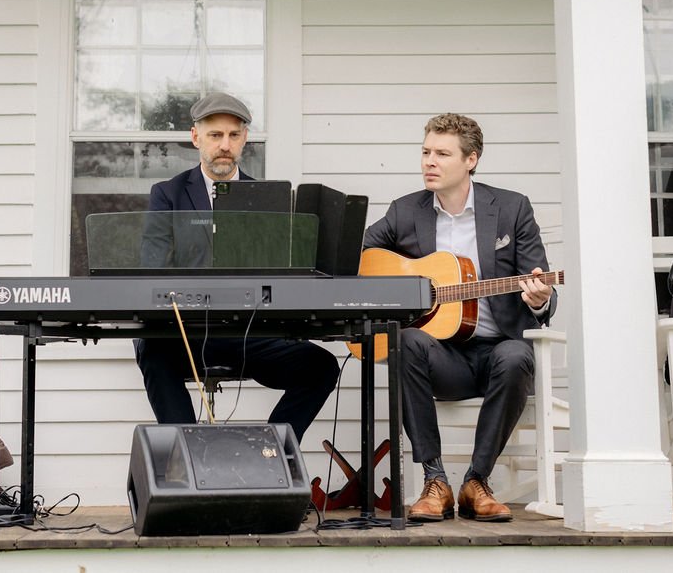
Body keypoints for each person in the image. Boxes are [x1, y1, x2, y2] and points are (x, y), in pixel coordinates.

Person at [363, 113, 556, 522]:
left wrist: (540, 299)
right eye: (426, 152)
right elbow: (360, 259)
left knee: (516, 356)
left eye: (442, 154)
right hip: (441, 358)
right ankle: (435, 481)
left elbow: (543, 291)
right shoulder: (405, 211)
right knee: (405, 340)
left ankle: (476, 482)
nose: (429, 162)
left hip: (497, 354)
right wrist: (404, 289)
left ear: (471, 159)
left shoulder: (511, 209)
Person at [133, 91, 339, 441]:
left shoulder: (266, 198)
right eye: (215, 135)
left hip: (249, 333)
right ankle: (187, 452)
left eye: (233, 135)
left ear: (245, 138)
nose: (225, 145)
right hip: (187, 333)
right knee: (152, 349)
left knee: (321, 366)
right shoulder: (169, 194)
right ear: (196, 137)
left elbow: (280, 270)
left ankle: (269, 450)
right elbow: (152, 264)